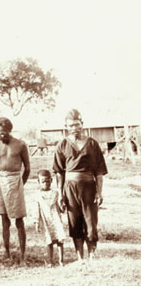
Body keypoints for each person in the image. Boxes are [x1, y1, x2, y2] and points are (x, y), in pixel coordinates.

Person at [53, 109, 107, 262]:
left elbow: (99, 172)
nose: (74, 128)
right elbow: (59, 172)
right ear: (66, 126)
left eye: (77, 125)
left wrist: (99, 192)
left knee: (90, 221)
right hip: (70, 188)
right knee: (74, 221)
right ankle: (80, 257)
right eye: (70, 125)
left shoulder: (92, 144)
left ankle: (92, 255)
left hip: (89, 186)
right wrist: (60, 194)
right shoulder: (62, 144)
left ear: (82, 124)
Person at [0, 117, 31, 264]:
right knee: (4, 219)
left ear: (9, 130)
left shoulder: (21, 145)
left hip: (16, 181)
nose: (1, 136)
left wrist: (20, 184)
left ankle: (22, 255)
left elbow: (27, 168)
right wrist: (2, 179)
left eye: (3, 133)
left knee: (19, 220)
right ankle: (7, 253)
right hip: (2, 181)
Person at [35, 169, 66, 266]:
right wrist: (36, 222)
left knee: (60, 240)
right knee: (49, 241)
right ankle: (49, 261)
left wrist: (63, 206)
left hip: (56, 219)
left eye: (47, 181)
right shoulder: (38, 195)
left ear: (51, 180)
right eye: (42, 182)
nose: (45, 183)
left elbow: (60, 207)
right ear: (39, 182)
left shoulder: (55, 193)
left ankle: (61, 260)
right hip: (46, 220)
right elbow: (37, 209)